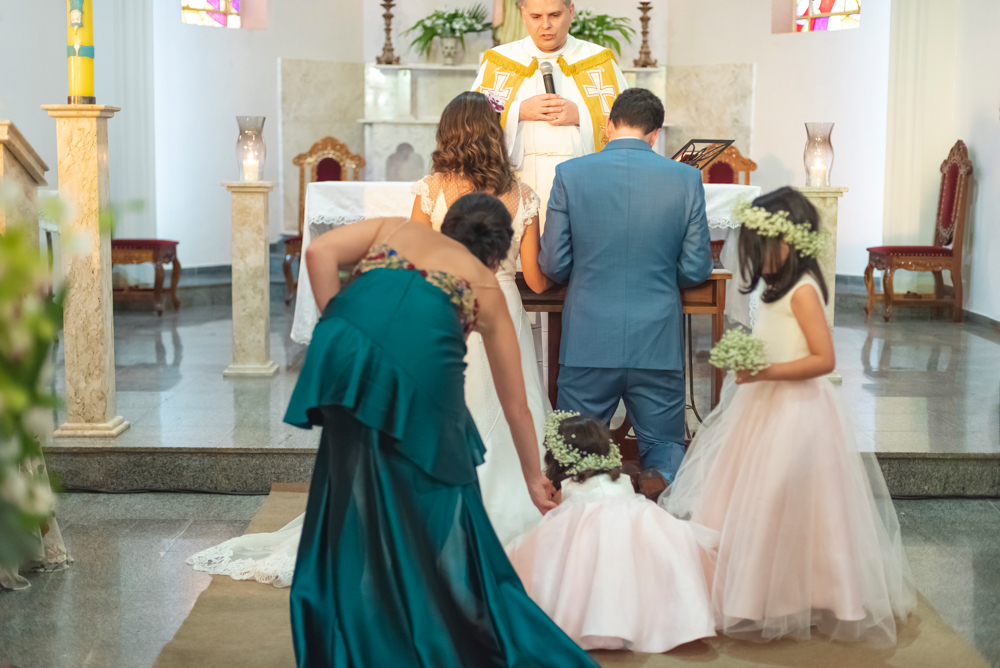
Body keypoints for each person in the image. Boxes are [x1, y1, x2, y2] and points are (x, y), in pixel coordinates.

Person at [282, 195, 598, 667]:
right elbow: (516, 406)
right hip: (422, 386)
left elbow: (317, 251)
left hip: (344, 360)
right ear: (497, 251)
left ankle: (361, 628)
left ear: (448, 224)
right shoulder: (486, 286)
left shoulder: (394, 228)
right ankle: (428, 628)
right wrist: (534, 478)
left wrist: (341, 327)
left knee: (351, 493)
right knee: (444, 501)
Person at [662, 187, 917, 646]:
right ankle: (755, 594)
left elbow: (823, 359)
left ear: (788, 242)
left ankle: (805, 592)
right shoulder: (774, 292)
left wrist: (767, 371)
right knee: (751, 499)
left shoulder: (803, 291)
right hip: (764, 407)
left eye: (761, 247)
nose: (757, 258)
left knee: (785, 500)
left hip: (798, 411)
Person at [539, 88, 713, 490]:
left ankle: (586, 503)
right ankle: (658, 486)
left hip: (588, 337)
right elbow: (695, 267)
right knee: (664, 443)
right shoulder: (686, 178)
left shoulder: (570, 174)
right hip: (656, 337)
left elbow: (554, 264)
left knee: (574, 448)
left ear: (608, 125)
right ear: (655, 134)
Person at [411, 90, 551, 544]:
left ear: (448, 134)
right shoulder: (521, 194)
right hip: (502, 303)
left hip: (446, 307)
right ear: (495, 133)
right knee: (516, 402)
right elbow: (536, 280)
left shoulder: (432, 190)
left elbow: (413, 262)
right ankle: (525, 491)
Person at [505, 411, 717, 653]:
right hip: (637, 527)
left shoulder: (568, 487)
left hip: (590, 537)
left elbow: (557, 524)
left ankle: (597, 618)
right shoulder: (621, 479)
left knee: (553, 553)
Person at [472, 0, 630, 231]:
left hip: (581, 181)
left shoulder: (598, 61)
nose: (545, 25)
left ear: (571, 11)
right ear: (523, 15)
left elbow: (628, 124)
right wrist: (518, 111)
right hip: (516, 179)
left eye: (554, 15)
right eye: (536, 17)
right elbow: (473, 120)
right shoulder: (501, 61)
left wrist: (580, 115)